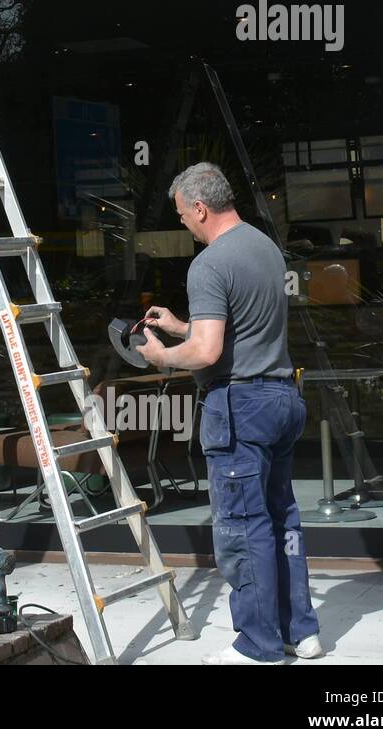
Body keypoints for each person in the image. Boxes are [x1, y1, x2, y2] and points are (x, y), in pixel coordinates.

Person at [136, 162, 323, 664]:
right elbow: (238, 326)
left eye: (181, 215)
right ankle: (299, 631)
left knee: (243, 527)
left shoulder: (209, 264)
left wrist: (162, 355)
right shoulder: (263, 246)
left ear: (200, 207)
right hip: (281, 397)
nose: (183, 224)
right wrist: (182, 325)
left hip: (240, 405)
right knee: (282, 518)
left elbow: (207, 352)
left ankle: (258, 646)